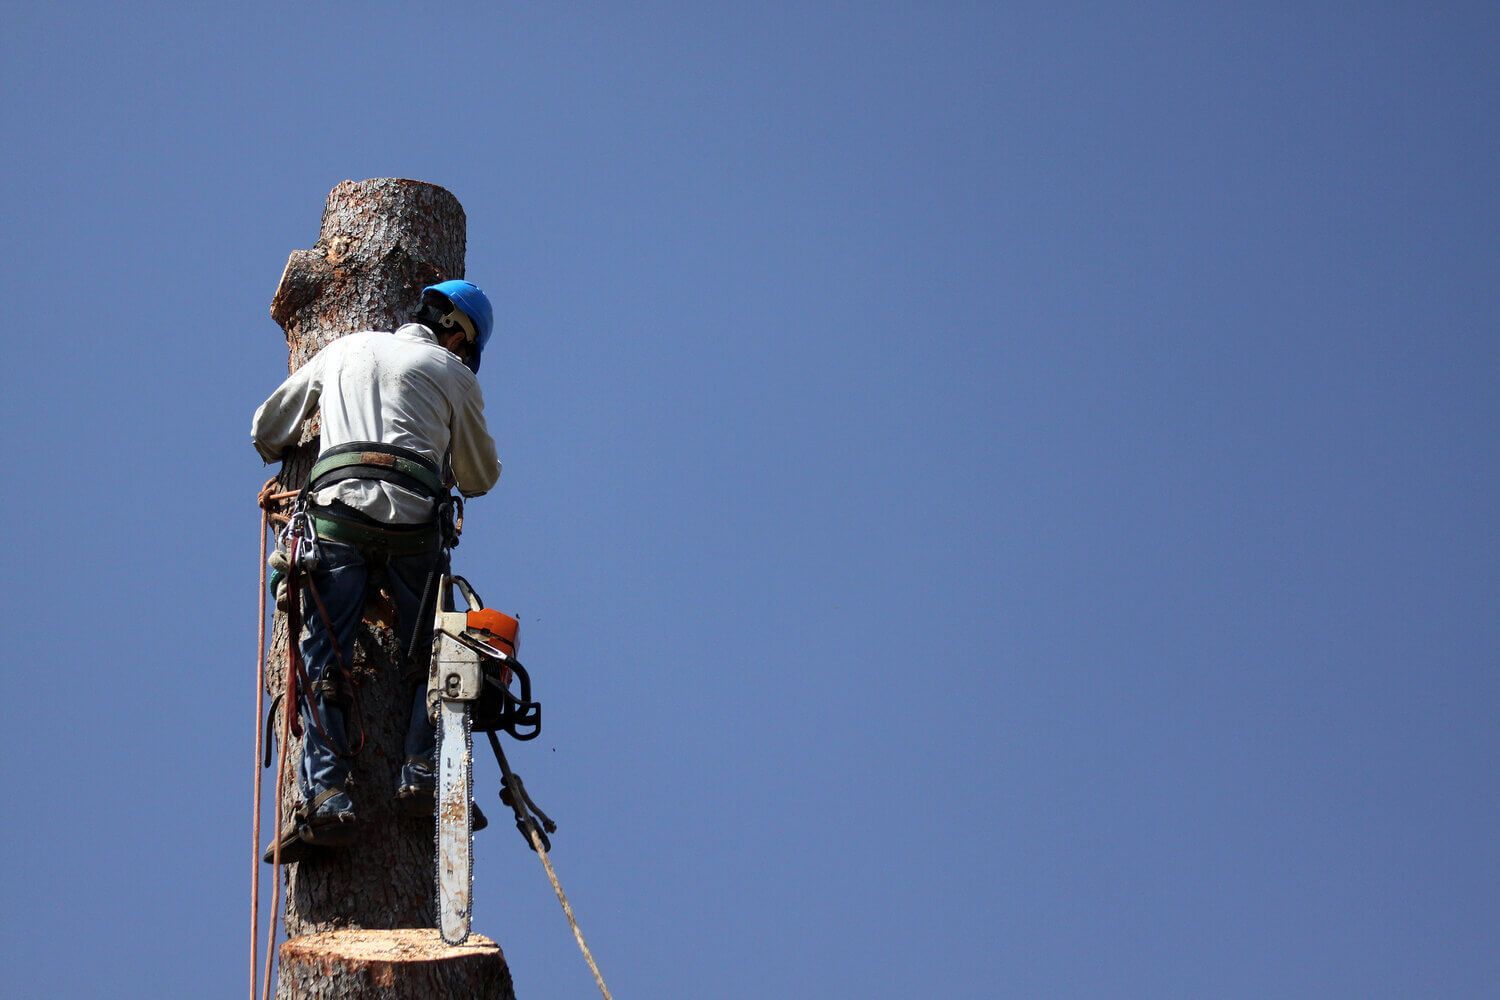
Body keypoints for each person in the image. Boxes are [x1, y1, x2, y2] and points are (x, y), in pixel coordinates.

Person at [251, 280, 501, 859]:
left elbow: (267, 429)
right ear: (457, 331)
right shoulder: (452, 372)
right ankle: (422, 772)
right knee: (442, 650)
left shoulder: (346, 349)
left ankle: (328, 797)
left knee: (322, 655)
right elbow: (480, 477)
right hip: (413, 529)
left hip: (336, 519)